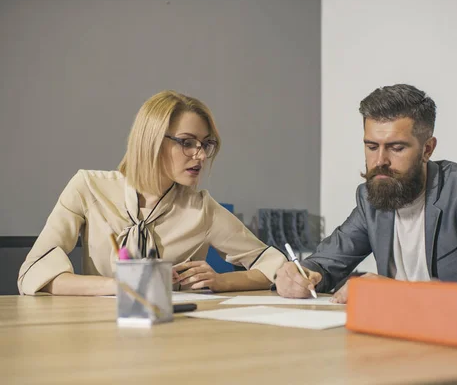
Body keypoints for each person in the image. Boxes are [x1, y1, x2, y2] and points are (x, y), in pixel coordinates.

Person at [275, 84, 457, 303]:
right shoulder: (371, 197)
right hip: (391, 338)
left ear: (427, 149)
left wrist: (397, 292)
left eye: (396, 148)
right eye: (372, 147)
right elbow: (324, 264)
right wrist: (300, 274)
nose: (380, 161)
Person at [18, 91, 286, 295]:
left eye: (206, 144)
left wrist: (221, 280)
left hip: (174, 333)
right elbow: (33, 273)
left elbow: (272, 264)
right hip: (98, 334)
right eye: (188, 142)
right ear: (152, 139)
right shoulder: (88, 188)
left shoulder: (201, 208)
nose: (201, 155)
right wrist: (119, 285)